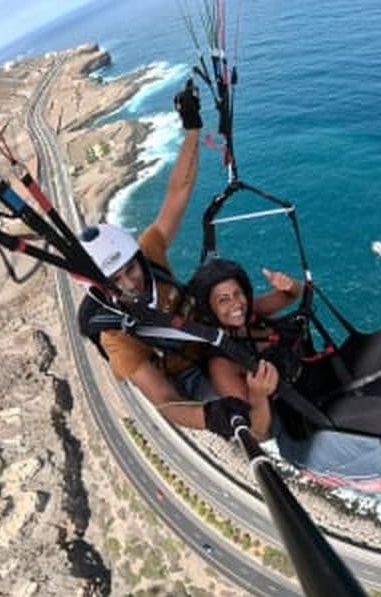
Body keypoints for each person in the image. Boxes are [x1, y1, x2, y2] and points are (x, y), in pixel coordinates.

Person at [186, 258, 381, 514]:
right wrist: (258, 395)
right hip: (305, 410)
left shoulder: (251, 314)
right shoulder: (223, 362)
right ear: (211, 310)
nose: (235, 304)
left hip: (320, 373)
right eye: (223, 300)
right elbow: (257, 433)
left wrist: (289, 286)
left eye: (237, 293)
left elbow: (294, 294)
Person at [77, 80, 255, 440]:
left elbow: (177, 193)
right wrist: (210, 416)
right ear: (103, 285)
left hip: (206, 333)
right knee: (249, 416)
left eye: (130, 269)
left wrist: (191, 129)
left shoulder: (150, 253)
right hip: (186, 372)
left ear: (138, 258)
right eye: (117, 280)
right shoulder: (115, 334)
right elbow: (163, 398)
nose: (130, 282)